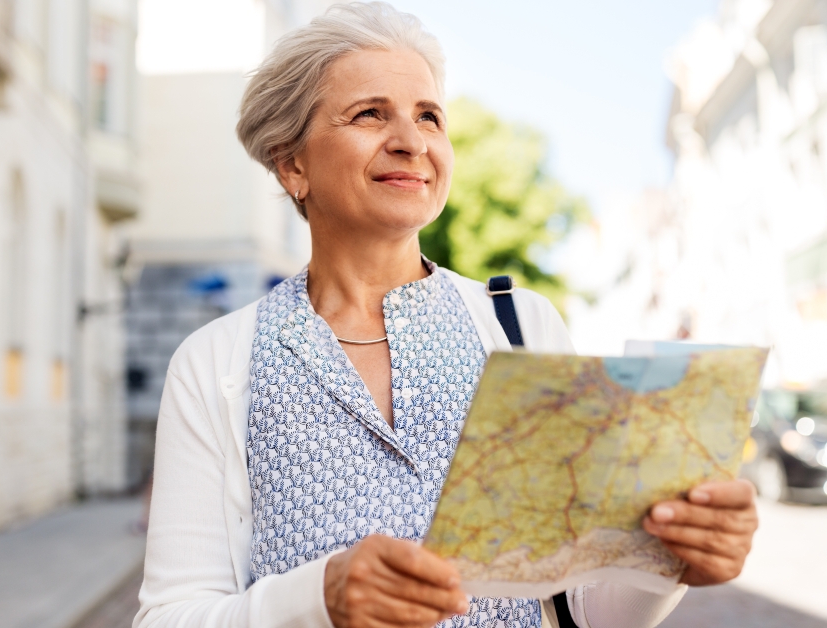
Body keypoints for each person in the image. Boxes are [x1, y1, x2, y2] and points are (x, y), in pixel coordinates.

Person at [134, 3, 759, 627]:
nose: (411, 142)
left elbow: (589, 611)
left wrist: (671, 561)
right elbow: (169, 616)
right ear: (291, 163)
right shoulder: (215, 362)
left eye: (429, 117)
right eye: (371, 113)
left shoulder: (522, 328)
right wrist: (316, 599)